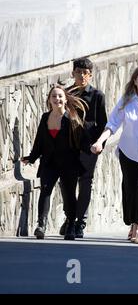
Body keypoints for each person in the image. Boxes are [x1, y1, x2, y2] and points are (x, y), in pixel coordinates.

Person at [90, 66, 138, 244]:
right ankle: (134, 223)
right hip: (129, 151)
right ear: (134, 81)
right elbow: (113, 123)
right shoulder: (127, 100)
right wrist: (100, 141)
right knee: (130, 188)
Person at [21, 85, 87, 240]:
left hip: (69, 163)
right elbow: (40, 142)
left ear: (65, 99)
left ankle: (71, 225)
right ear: (49, 100)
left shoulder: (71, 118)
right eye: (53, 96)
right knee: (45, 191)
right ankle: (41, 225)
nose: (57, 99)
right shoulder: (45, 117)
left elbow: (81, 140)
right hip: (49, 163)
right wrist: (31, 157)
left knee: (69, 194)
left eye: (59, 96)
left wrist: (91, 147)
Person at [59, 57, 107, 238]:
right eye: (78, 72)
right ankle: (70, 216)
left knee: (85, 182)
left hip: (88, 147)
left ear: (90, 75)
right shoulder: (66, 95)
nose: (81, 76)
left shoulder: (97, 96)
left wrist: (98, 143)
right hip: (69, 147)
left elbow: (103, 123)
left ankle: (80, 222)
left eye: (85, 73)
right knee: (66, 183)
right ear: (72, 74)